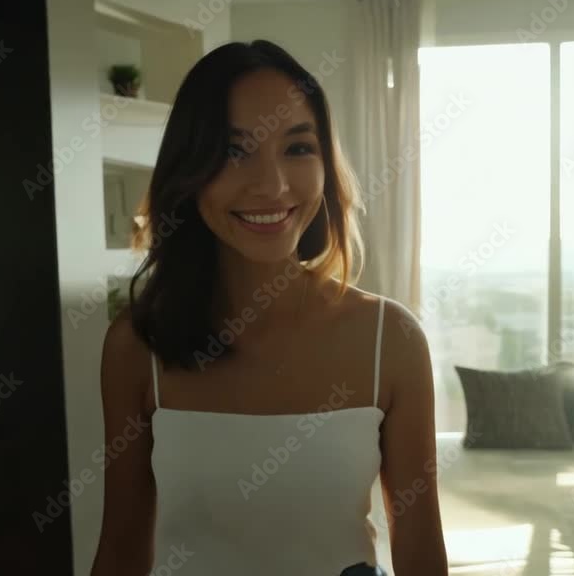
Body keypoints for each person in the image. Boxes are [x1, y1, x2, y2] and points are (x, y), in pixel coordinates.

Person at [90, 39, 447, 576]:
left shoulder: (391, 340)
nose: (273, 185)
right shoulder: (137, 346)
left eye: (298, 148)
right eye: (235, 152)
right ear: (190, 169)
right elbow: (121, 551)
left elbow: (422, 556)